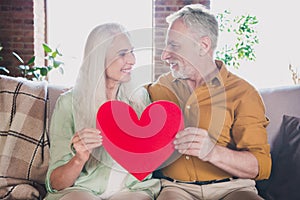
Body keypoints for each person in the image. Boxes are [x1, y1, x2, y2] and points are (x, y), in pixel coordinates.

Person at [146, 4, 271, 200]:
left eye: (174, 45)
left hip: (233, 189)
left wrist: (212, 152)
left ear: (203, 46)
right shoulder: (159, 88)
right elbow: (123, 98)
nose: (165, 55)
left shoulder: (243, 93)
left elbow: (261, 165)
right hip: (176, 189)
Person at [45, 23, 160, 200]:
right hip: (83, 190)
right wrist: (80, 157)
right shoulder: (69, 103)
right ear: (99, 58)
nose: (132, 60)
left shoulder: (140, 97)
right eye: (122, 54)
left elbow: (153, 157)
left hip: (133, 190)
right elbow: (56, 183)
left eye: (132, 51)